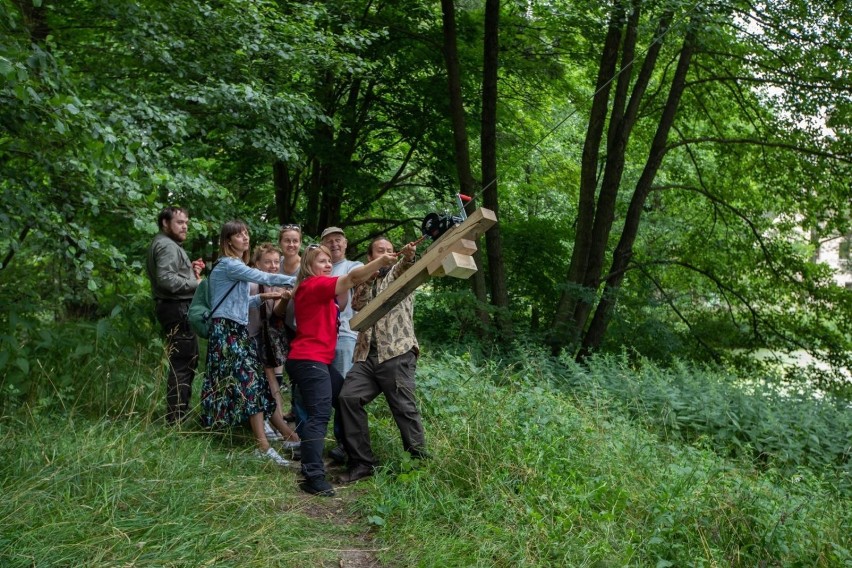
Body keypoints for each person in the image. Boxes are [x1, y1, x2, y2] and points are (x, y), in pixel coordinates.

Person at [285, 243, 397, 496]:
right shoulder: (313, 285)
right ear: (309, 267)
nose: (327, 265)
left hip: (317, 361)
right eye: (321, 261)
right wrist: (380, 262)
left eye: (328, 261)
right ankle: (313, 476)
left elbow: (352, 285)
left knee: (345, 400)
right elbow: (353, 277)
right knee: (319, 415)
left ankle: (356, 457)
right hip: (308, 360)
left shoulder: (321, 289)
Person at [200, 220, 296, 467]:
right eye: (238, 235)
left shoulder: (234, 267)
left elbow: (239, 304)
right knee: (249, 384)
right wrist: (295, 281)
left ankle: (279, 438)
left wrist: (263, 297)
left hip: (236, 330)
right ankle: (264, 446)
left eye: (246, 234)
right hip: (227, 332)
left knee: (255, 384)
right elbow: (261, 274)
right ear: (227, 240)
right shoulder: (229, 264)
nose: (244, 238)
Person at [337, 237, 427, 484]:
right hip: (366, 355)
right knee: (348, 398)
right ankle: (362, 463)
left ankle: (419, 466)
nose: (388, 253)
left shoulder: (400, 275)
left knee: (404, 410)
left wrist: (408, 256)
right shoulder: (366, 279)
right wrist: (370, 274)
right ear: (371, 257)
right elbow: (356, 304)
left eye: (390, 250)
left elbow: (406, 266)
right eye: (380, 251)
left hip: (396, 353)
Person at [146, 206, 205, 424]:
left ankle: (178, 413)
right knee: (183, 362)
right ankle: (177, 418)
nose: (185, 226)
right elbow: (167, 280)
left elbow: (170, 275)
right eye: (180, 222)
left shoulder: (163, 244)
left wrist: (189, 269)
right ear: (165, 223)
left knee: (184, 360)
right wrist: (196, 283)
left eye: (186, 222)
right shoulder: (167, 246)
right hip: (176, 309)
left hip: (172, 308)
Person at [247, 243, 300, 452]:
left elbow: (276, 314)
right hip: (249, 339)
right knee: (260, 384)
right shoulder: (251, 283)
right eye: (267, 262)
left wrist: (284, 300)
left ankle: (280, 429)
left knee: (271, 383)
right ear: (257, 263)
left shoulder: (276, 284)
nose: (272, 266)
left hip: (267, 340)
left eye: (276, 262)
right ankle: (277, 429)